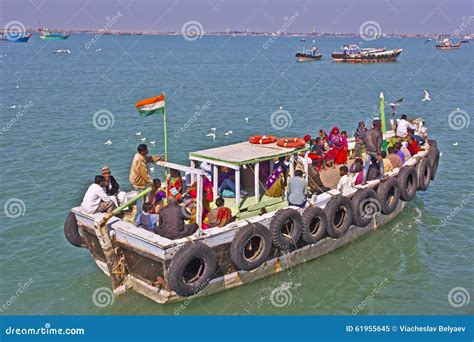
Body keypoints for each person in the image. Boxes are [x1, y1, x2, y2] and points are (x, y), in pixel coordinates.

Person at [129, 144, 161, 226]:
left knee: (141, 201)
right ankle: (138, 221)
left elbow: (148, 158)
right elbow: (144, 173)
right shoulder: (139, 159)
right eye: (146, 150)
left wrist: (159, 158)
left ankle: (138, 218)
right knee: (141, 203)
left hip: (139, 182)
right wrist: (151, 183)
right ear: (142, 151)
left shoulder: (140, 156)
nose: (147, 151)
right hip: (138, 183)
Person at [362, 119, 386, 184]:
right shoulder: (378, 132)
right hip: (375, 151)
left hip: (368, 150)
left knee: (366, 166)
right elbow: (379, 144)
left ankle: (363, 181)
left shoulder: (367, 132)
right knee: (381, 164)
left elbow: (364, 140)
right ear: (378, 125)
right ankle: (382, 177)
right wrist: (379, 154)